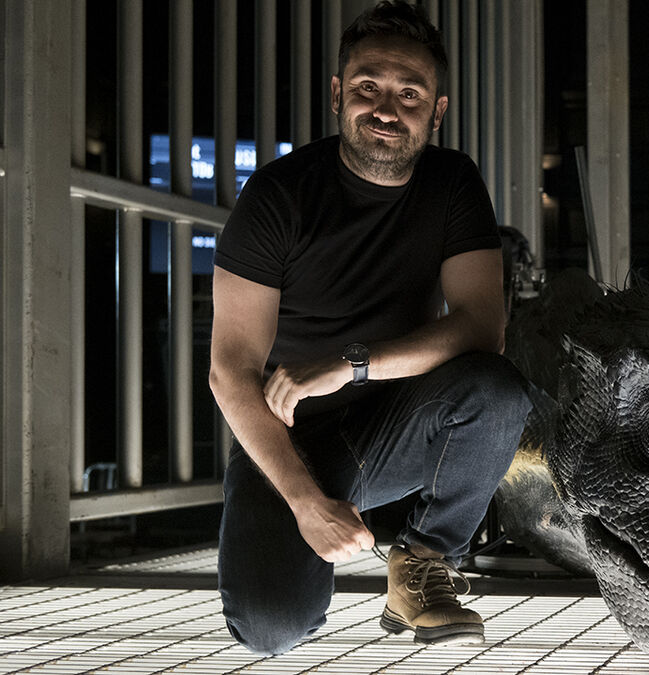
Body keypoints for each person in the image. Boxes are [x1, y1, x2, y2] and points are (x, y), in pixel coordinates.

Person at [208, 0, 531, 656]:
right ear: (337, 94)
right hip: (288, 437)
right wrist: (305, 501)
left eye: (409, 94)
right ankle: (295, 537)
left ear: (436, 111)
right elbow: (229, 371)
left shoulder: (452, 184)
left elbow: (482, 328)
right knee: (270, 626)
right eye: (367, 87)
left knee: (496, 389)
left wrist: (351, 363)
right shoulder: (277, 195)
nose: (387, 109)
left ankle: (423, 562)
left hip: (395, 425)